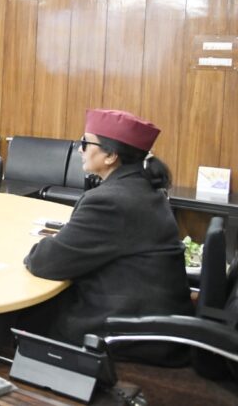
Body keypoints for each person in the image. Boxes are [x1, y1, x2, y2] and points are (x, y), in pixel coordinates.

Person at [22, 109, 192, 364]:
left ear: (111, 156)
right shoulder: (145, 188)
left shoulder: (109, 201)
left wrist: (41, 247)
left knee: (26, 316)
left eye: (85, 143)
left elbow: (46, 263)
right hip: (154, 320)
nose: (79, 149)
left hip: (130, 329)